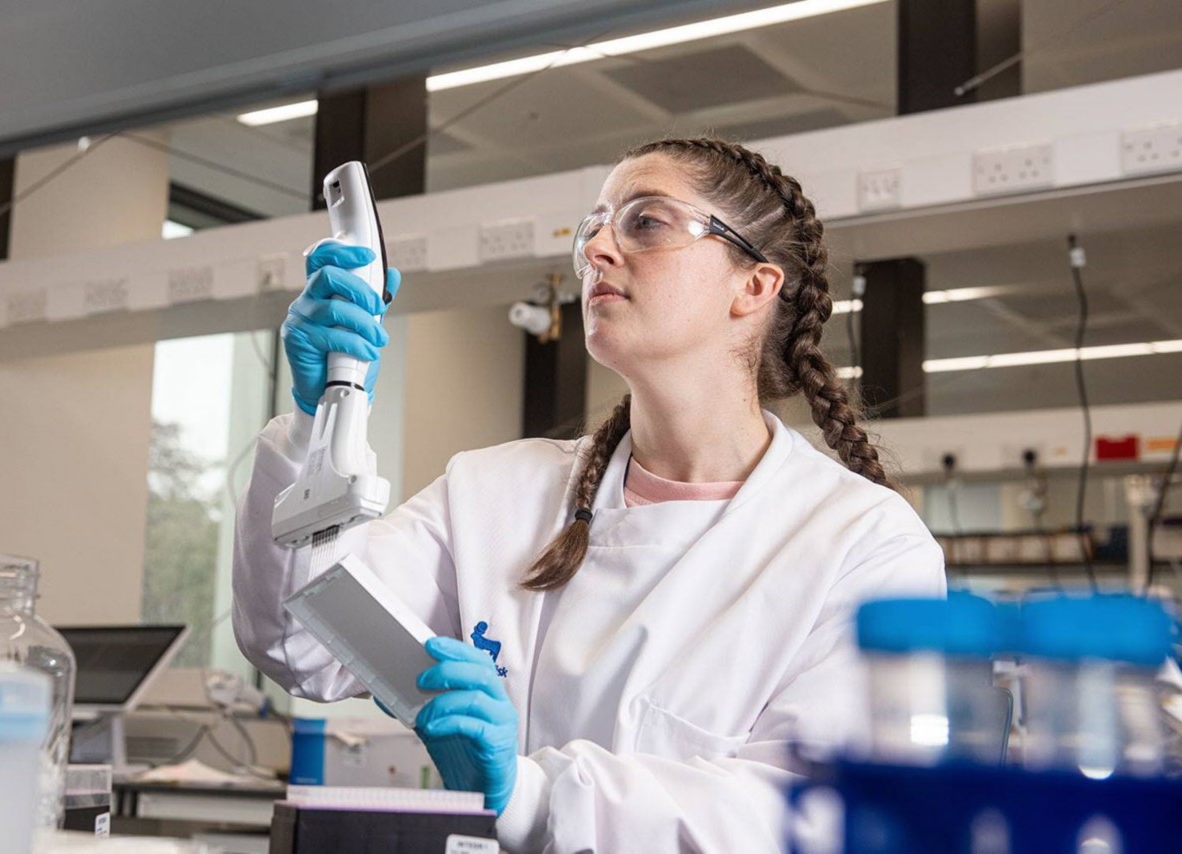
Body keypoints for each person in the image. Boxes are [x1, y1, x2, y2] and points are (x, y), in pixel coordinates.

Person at [233, 137, 945, 852]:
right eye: (594, 227)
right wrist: (316, 421)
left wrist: (535, 796)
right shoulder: (494, 493)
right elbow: (305, 644)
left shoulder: (864, 544)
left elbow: (819, 815)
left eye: (646, 222)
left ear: (754, 287)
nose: (598, 247)